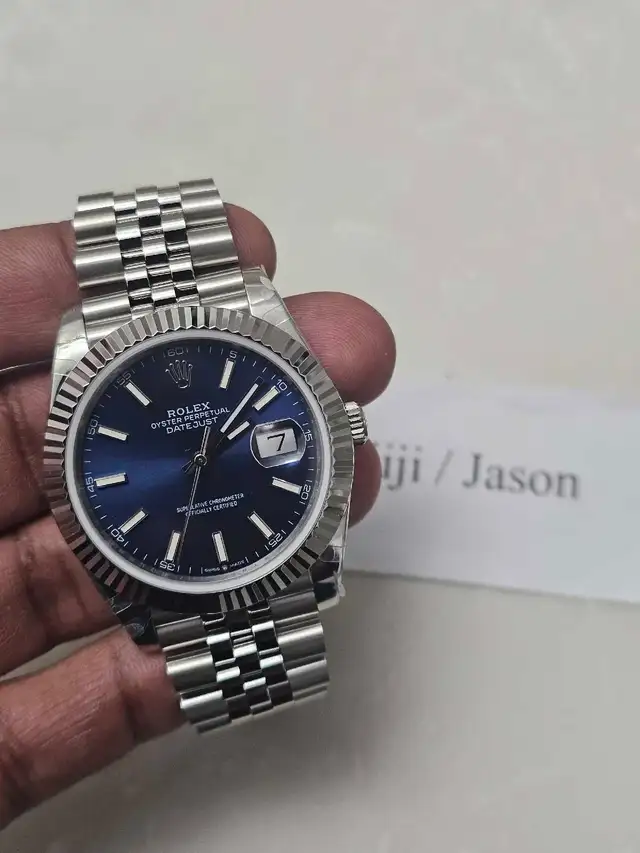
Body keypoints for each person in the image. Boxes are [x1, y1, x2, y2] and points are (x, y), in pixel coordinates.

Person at [0, 204, 395, 828]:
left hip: (234, 540)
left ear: (340, 425)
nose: (198, 457)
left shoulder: (251, 317)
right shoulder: (82, 363)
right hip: (187, 556)